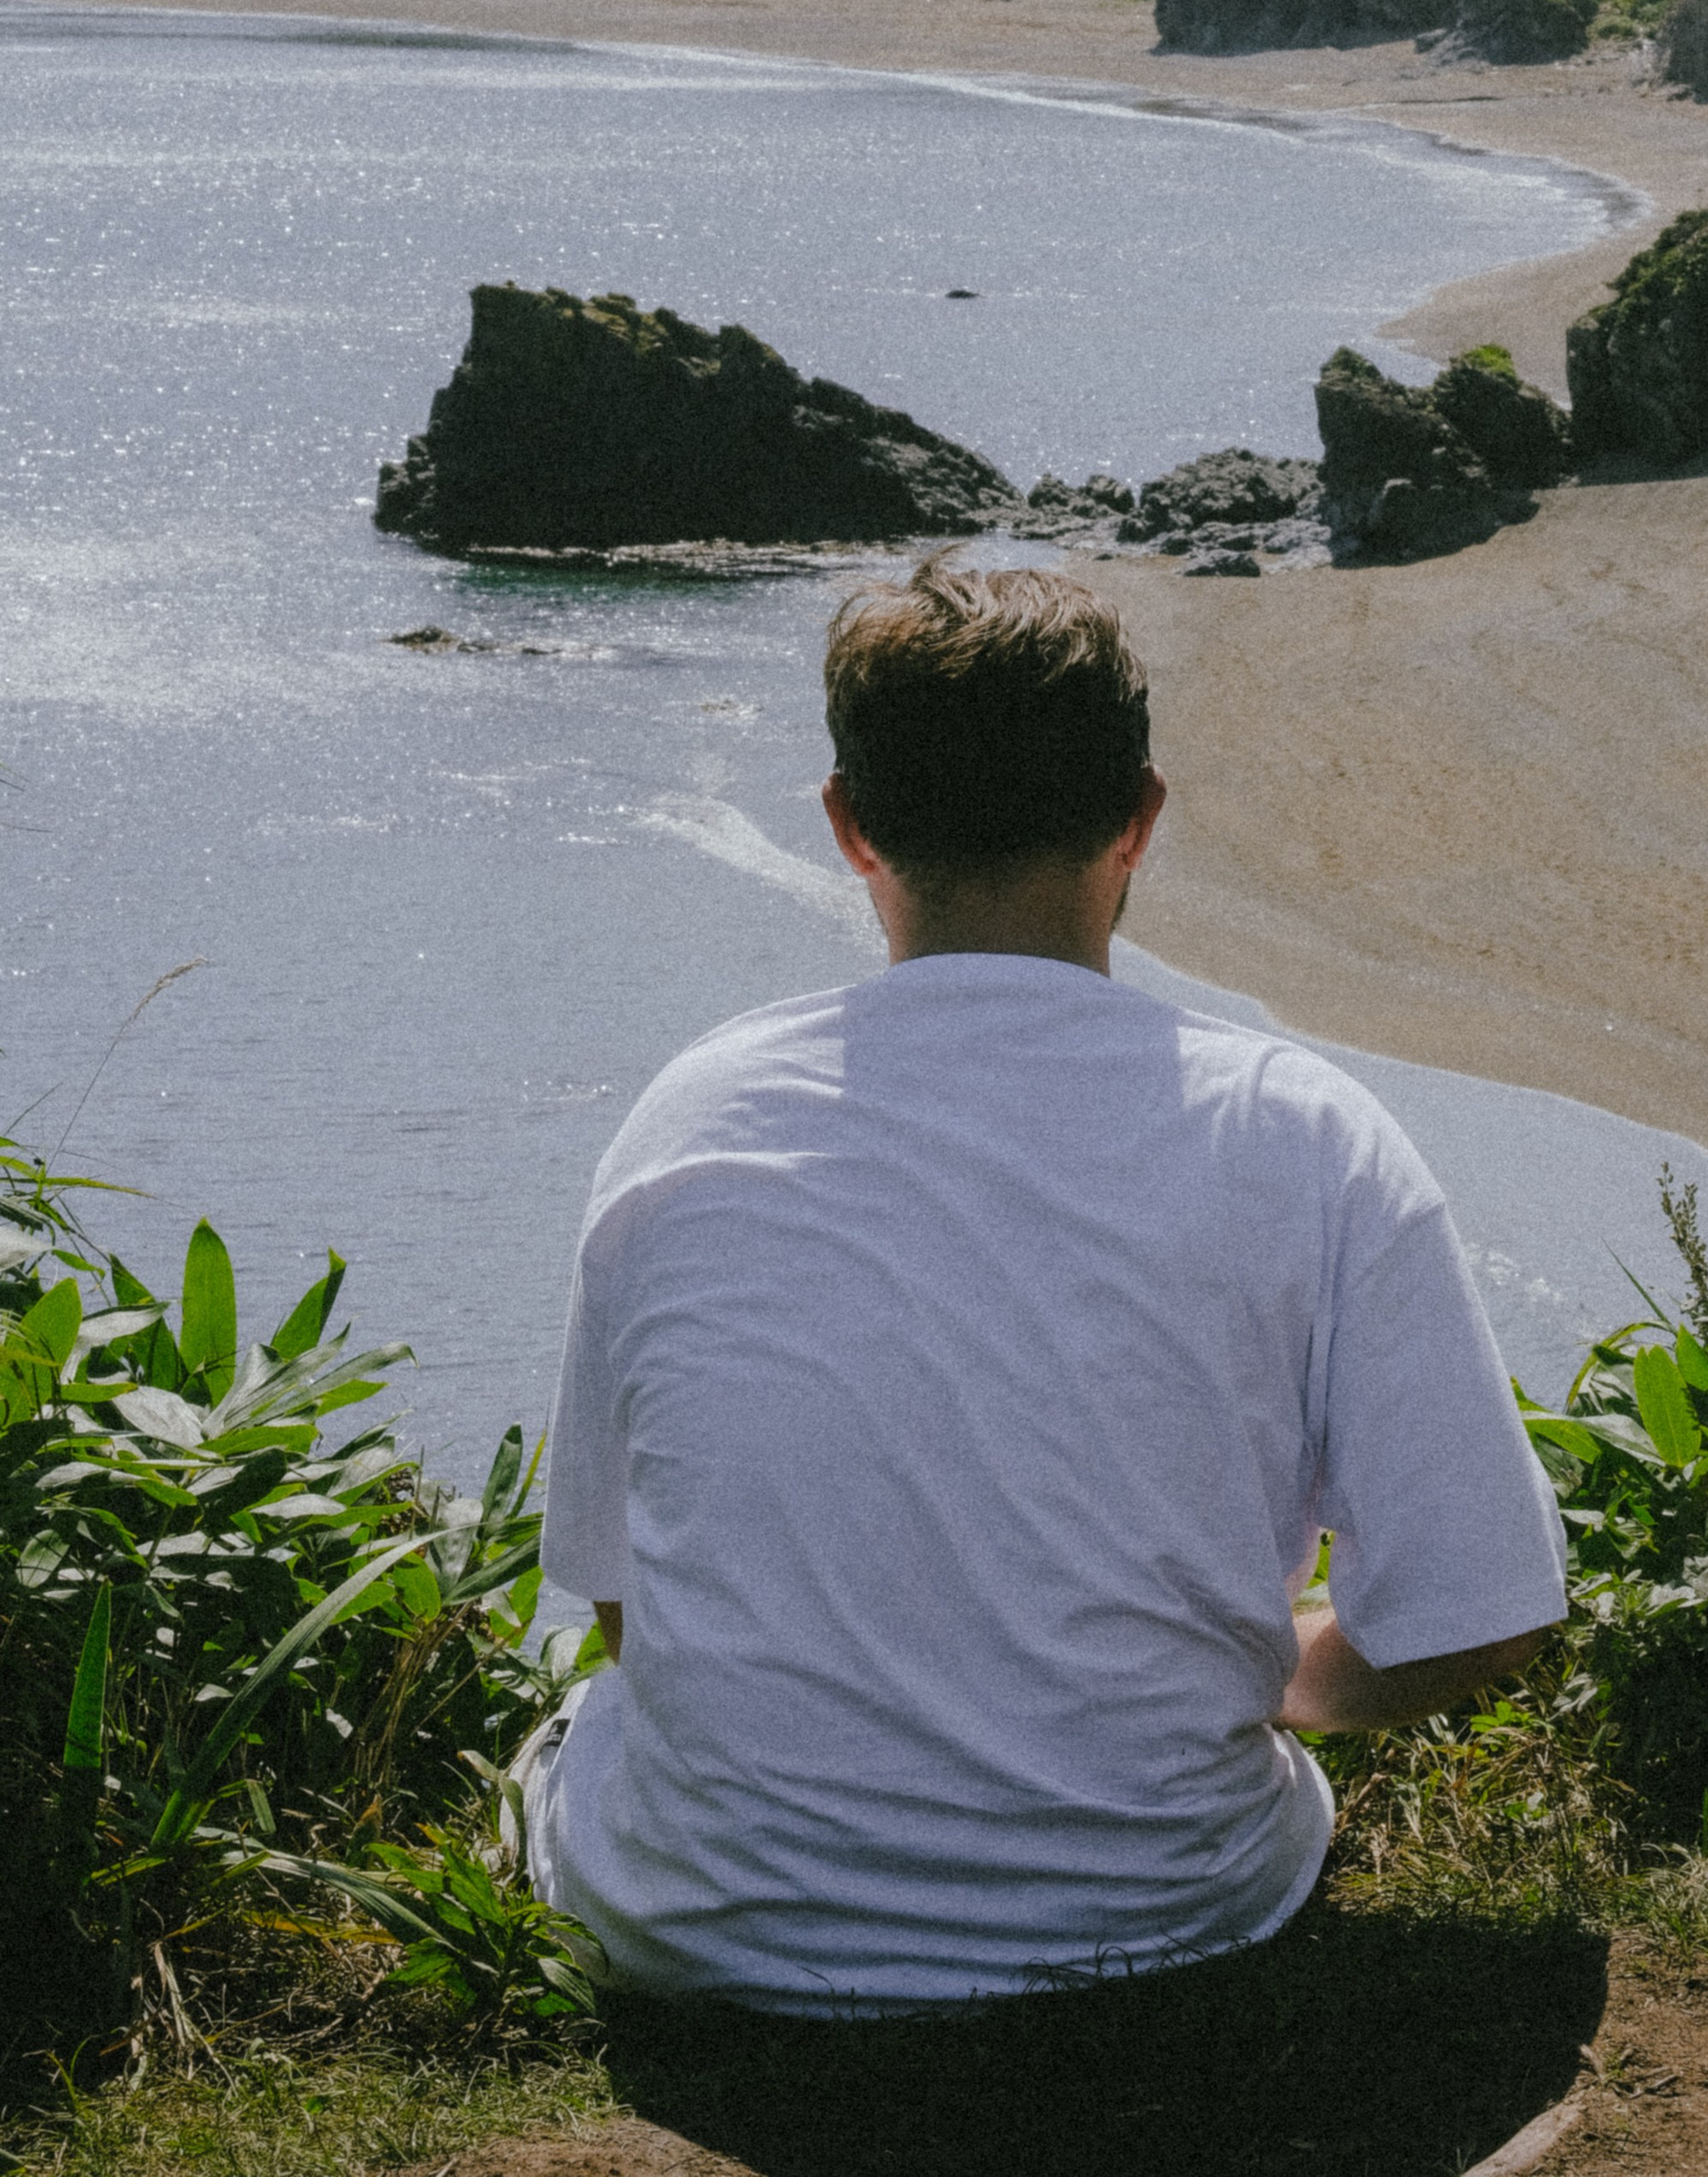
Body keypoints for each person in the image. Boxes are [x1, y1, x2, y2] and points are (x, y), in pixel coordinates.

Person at [528, 560, 1566, 2015]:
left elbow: (628, 1613)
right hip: (1170, 1911)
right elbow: (1483, 1618)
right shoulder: (1303, 1133)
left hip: (716, 1930)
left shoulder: (692, 1117)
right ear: (1140, 817)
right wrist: (1278, 1679)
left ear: (847, 826)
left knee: (574, 1740)